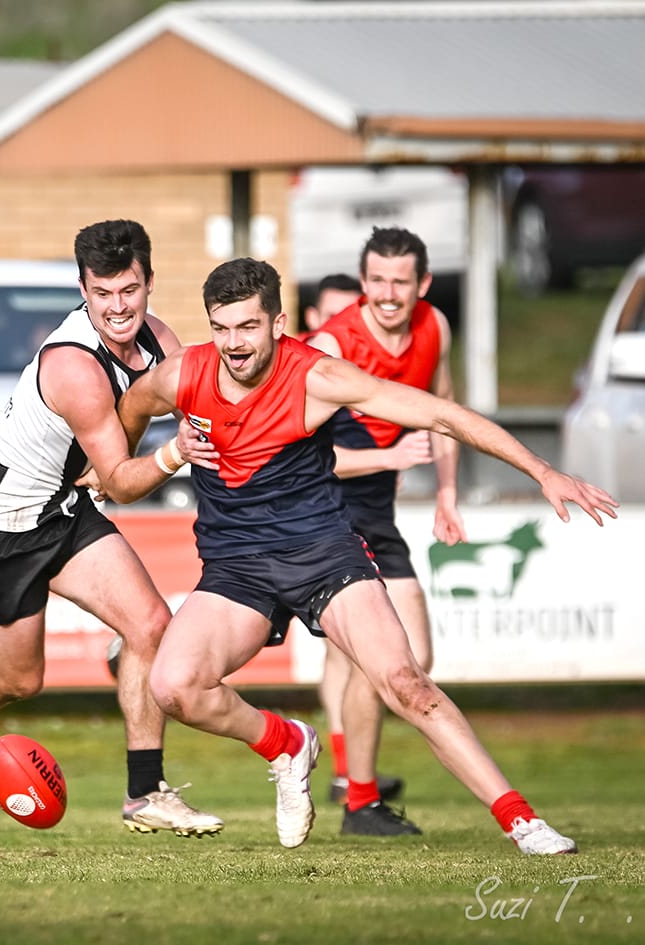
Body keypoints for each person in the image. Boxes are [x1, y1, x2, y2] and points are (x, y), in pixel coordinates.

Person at [109, 255, 615, 854]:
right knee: (174, 687)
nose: (234, 344)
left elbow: (441, 413)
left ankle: (522, 821)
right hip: (237, 566)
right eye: (222, 328)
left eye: (247, 327)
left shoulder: (318, 377)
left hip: (323, 554)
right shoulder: (180, 376)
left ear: (277, 323)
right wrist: (151, 458)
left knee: (407, 683)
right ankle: (287, 743)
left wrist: (542, 469)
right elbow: (126, 418)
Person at [0, 219, 223, 837]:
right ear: (83, 289)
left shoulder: (157, 339)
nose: (118, 308)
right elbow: (121, 481)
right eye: (103, 293)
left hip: (62, 511)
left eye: (129, 290)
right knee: (20, 679)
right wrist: (176, 454)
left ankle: (144, 793)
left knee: (152, 625)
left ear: (149, 282)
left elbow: (207, 398)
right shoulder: (74, 366)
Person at [307, 228, 457, 834]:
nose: (388, 294)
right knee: (377, 660)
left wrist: (447, 493)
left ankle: (354, 791)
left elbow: (443, 409)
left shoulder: (435, 328)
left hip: (381, 514)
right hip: (326, 514)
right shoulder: (330, 343)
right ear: (362, 281)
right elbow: (306, 457)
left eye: (401, 282)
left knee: (412, 659)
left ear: (421, 284)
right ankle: (356, 794)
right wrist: (395, 460)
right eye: (377, 281)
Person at [298, 273, 359, 343]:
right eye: (333, 318)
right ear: (312, 318)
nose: (343, 327)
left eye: (352, 318)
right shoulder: (290, 352)